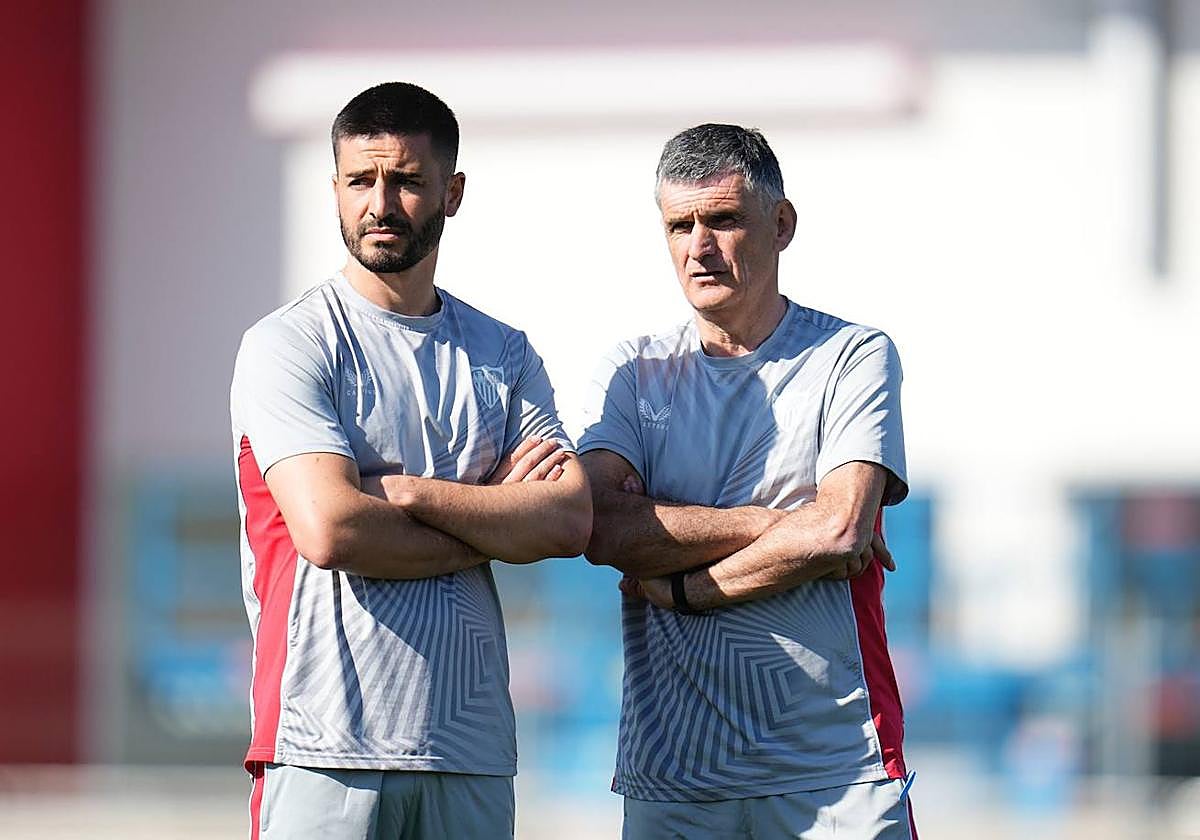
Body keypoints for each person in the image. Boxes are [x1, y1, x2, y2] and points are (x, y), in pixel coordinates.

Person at [229, 82, 591, 840]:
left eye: (406, 180)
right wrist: (491, 519)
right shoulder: (289, 344)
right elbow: (331, 531)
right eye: (361, 180)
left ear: (451, 193)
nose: (381, 204)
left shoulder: (503, 352)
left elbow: (565, 519)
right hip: (320, 745)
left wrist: (404, 493)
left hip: (470, 749)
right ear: (335, 189)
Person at [578, 124, 916, 839]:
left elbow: (838, 528)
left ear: (781, 224)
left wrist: (683, 588)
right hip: (674, 777)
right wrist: (773, 524)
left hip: (835, 770)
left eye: (724, 219)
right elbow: (602, 527)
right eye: (680, 224)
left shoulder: (851, 355)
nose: (700, 246)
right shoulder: (635, 372)